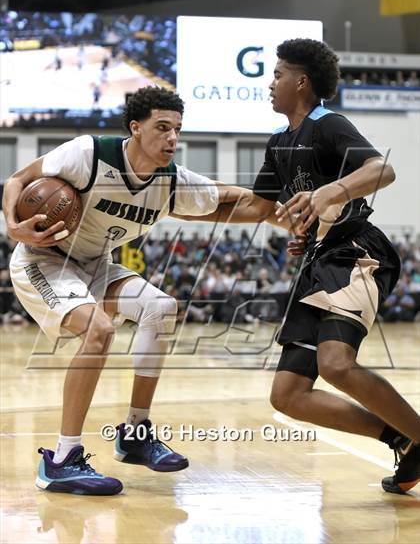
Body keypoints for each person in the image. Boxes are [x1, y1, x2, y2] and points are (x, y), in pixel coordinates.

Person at [3, 86, 284, 496]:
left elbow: (239, 203)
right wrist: (13, 224)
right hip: (43, 260)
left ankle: (135, 433)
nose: (172, 138)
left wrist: (289, 217)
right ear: (135, 128)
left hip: (95, 266)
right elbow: (18, 179)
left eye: (178, 130)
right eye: (162, 127)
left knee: (161, 308)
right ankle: (61, 459)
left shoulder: (171, 183)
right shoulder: (89, 154)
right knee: (99, 331)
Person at [183, 39, 419, 495]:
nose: (271, 84)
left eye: (277, 75)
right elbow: (255, 207)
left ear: (301, 81)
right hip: (318, 263)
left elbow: (381, 170)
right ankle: (401, 436)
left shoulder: (328, 124)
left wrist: (334, 192)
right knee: (288, 395)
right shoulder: (279, 144)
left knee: (335, 364)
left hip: (355, 252)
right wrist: (179, 206)